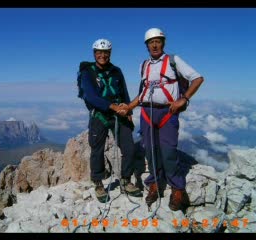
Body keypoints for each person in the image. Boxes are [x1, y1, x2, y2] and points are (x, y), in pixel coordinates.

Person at [120, 28, 204, 211]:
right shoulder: (144, 65)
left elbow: (197, 78)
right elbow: (143, 93)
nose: (155, 45)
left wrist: (184, 98)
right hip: (147, 113)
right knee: (150, 150)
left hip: (167, 112)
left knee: (168, 151)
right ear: (147, 45)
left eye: (158, 41)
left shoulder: (174, 60)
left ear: (163, 43)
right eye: (151, 42)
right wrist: (129, 106)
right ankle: (155, 183)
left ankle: (177, 188)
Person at [80, 38, 142, 203]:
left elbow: (124, 91)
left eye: (105, 52)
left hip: (120, 114)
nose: (102, 55)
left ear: (110, 53)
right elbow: (91, 96)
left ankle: (126, 180)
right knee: (97, 150)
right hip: (99, 115)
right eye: (99, 52)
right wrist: (113, 107)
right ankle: (98, 183)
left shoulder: (116, 71)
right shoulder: (87, 72)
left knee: (128, 147)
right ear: (94, 54)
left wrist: (128, 109)